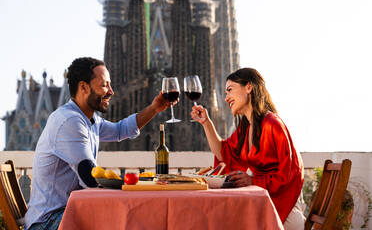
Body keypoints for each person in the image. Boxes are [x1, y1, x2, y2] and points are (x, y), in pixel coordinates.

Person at [24, 57, 173, 230]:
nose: (111, 91)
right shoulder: (69, 121)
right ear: (83, 87)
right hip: (49, 221)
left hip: (70, 211)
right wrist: (129, 184)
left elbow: (119, 130)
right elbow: (89, 176)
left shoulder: (88, 119)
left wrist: (154, 108)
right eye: (104, 85)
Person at [191, 68, 305, 229]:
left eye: (230, 90)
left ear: (249, 87)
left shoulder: (272, 124)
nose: (226, 98)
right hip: (262, 200)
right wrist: (206, 123)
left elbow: (290, 173)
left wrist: (253, 181)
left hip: (282, 208)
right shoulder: (246, 127)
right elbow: (225, 154)